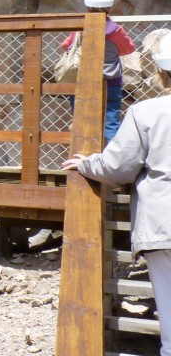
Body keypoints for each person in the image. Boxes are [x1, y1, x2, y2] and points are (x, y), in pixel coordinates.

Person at [61, 32, 171, 356]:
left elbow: (118, 166)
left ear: (162, 71)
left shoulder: (146, 112)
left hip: (163, 223)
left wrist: (87, 164)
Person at [61, 0, 136, 142]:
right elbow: (129, 48)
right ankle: (111, 155)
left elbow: (66, 46)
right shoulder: (116, 30)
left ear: (88, 7)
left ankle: (82, 154)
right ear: (109, 8)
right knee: (111, 124)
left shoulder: (80, 28)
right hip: (111, 82)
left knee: (81, 122)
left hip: (83, 81)